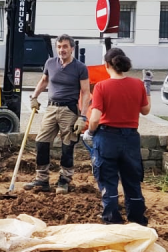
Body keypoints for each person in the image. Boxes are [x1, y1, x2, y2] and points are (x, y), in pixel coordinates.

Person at [82, 48, 151, 226]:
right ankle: (137, 222)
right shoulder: (137, 84)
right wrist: (147, 87)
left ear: (106, 65)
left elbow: (95, 118)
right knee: (132, 182)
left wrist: (89, 132)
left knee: (108, 182)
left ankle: (113, 221)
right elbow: (145, 110)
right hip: (130, 139)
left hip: (107, 139)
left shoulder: (102, 87)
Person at [26, 34, 90, 194]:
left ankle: (64, 180)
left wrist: (82, 117)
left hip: (69, 110)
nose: (62, 50)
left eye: (65, 47)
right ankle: (42, 179)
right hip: (51, 108)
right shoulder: (50, 63)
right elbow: (44, 81)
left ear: (72, 48)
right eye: (59, 47)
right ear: (56, 48)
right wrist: (34, 97)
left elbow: (86, 92)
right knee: (41, 141)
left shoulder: (80, 67)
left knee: (67, 146)